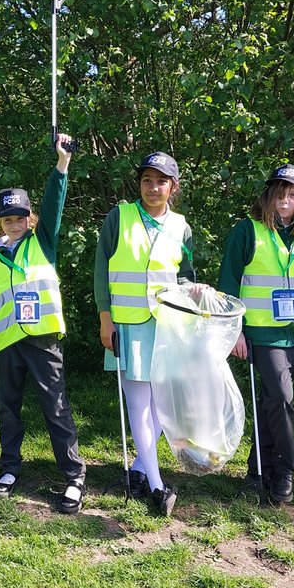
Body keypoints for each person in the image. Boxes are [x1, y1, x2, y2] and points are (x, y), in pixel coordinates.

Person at [218, 164, 294, 505]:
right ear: (268, 194)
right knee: (282, 398)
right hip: (259, 331)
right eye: (279, 192)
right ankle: (285, 467)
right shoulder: (247, 230)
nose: (285, 199)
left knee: (272, 400)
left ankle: (257, 472)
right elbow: (229, 282)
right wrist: (233, 329)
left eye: (293, 194)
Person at [0, 134, 86, 514]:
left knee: (54, 405)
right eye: (7, 218)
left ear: (31, 219)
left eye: (20, 217)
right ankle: (10, 467)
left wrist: (62, 165)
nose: (14, 223)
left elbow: (55, 204)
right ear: (0, 222)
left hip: (42, 340)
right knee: (8, 406)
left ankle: (74, 476)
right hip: (9, 341)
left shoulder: (42, 242)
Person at [94, 152, 195, 516]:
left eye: (161, 181)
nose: (154, 188)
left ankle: (140, 466)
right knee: (139, 403)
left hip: (166, 325)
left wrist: (193, 293)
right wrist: (105, 318)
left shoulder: (181, 226)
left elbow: (185, 275)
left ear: (173, 186)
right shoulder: (118, 216)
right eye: (147, 180)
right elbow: (101, 270)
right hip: (127, 323)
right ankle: (156, 484)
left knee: (158, 405)